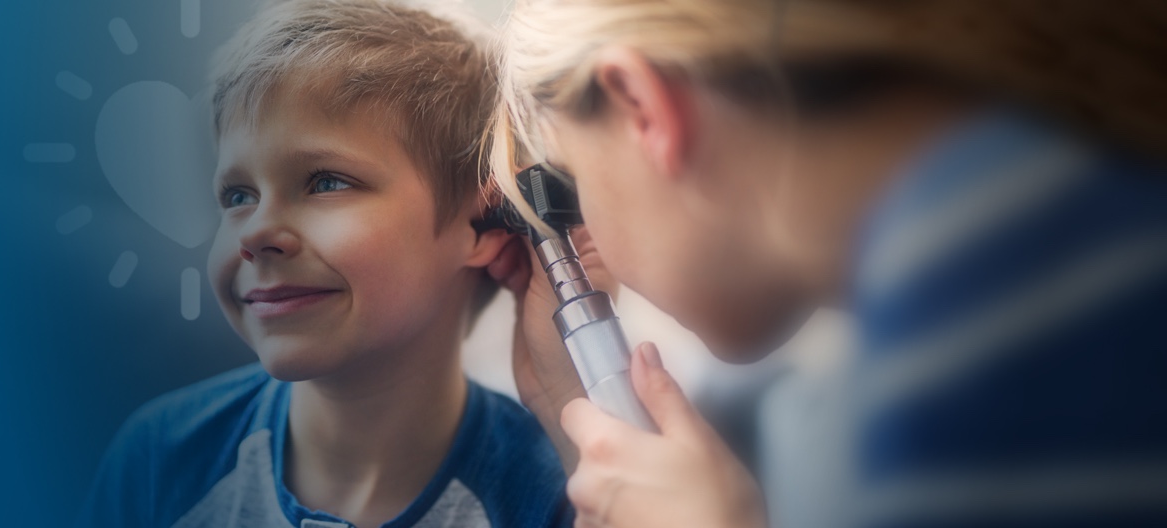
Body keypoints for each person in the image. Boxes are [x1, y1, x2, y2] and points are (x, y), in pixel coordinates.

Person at [484, 0, 1167, 527]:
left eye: (569, 188)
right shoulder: (1031, 213)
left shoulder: (995, 299)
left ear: (642, 108)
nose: (585, 237)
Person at [76, 1, 575, 527]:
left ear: (482, 226)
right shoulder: (159, 459)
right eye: (238, 195)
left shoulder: (557, 492)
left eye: (326, 182)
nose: (256, 233)